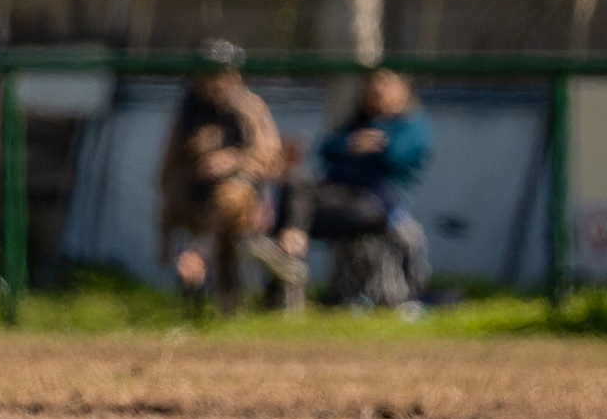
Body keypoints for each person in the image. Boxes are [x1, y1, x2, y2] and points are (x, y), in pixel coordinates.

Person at [277, 69, 433, 305]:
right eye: (371, 90)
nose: (376, 95)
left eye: (384, 88)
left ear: (403, 90)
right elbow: (327, 148)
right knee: (295, 187)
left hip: (376, 203)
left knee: (297, 210)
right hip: (335, 196)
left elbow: (394, 157)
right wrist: (351, 144)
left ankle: (290, 254)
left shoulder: (410, 123)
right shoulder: (359, 122)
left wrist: (377, 144)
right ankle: (292, 240)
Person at [156, 39, 284, 313]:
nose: (214, 82)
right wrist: (165, 223)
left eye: (221, 74)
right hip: (197, 199)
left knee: (230, 195)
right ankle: (220, 301)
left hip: (246, 203)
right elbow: (169, 166)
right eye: (207, 74)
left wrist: (233, 160)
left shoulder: (250, 108)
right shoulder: (189, 112)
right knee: (212, 206)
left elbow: (272, 159)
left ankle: (199, 254)